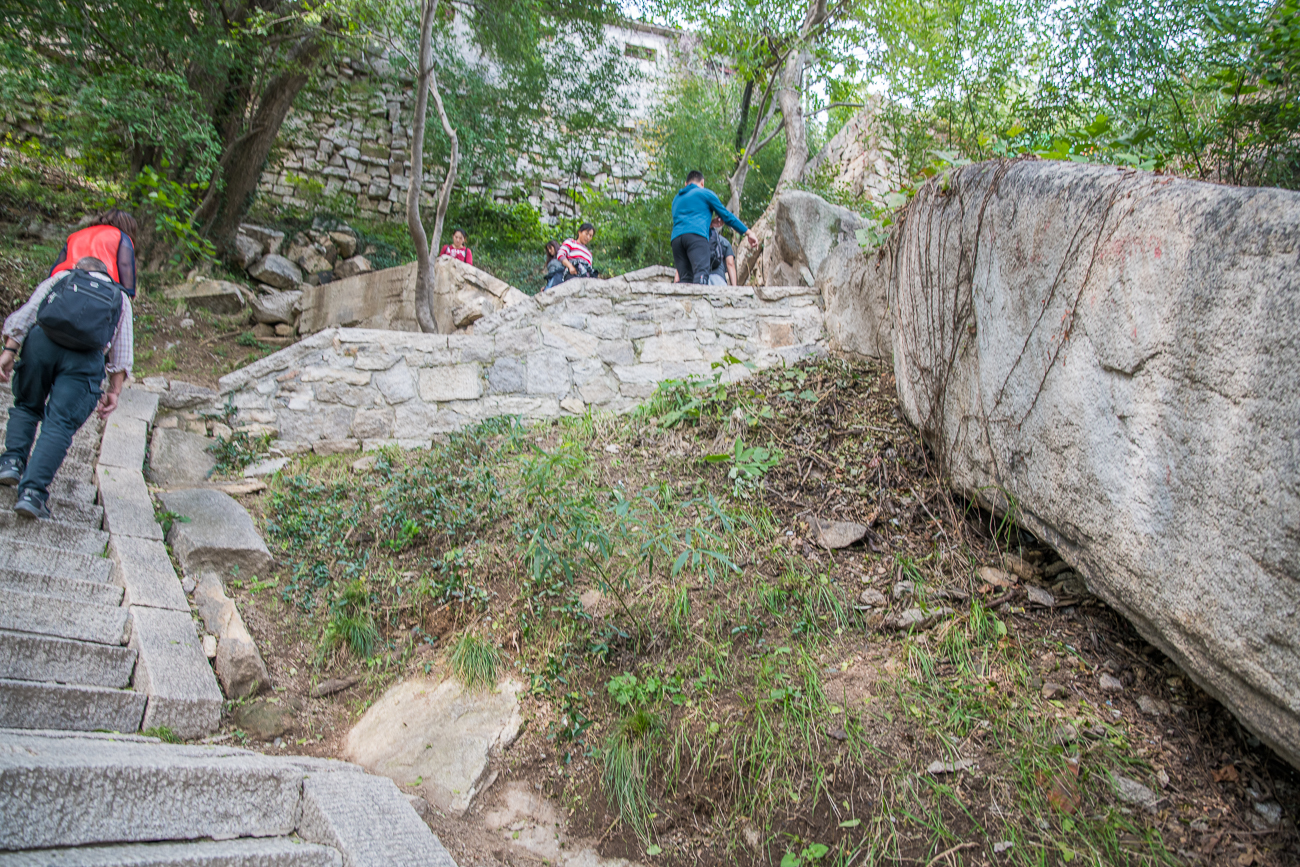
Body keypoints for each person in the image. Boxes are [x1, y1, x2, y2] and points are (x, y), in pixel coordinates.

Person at [0, 256, 134, 519]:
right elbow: (122, 354)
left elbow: (27, 314)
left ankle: (12, 462)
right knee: (59, 424)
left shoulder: (62, 278)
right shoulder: (120, 297)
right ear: (108, 275)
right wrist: (114, 391)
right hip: (84, 360)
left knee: (27, 405)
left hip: (41, 344)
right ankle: (32, 494)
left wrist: (8, 351)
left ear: (78, 269)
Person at [670, 170, 755, 284]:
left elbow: (687, 223)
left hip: (676, 241)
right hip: (696, 238)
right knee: (701, 274)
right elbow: (726, 216)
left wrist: (709, 224)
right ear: (702, 183)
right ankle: (700, 302)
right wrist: (748, 232)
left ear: (686, 184)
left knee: (685, 279)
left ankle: (682, 302)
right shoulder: (705, 193)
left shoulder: (676, 199)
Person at [48, 208, 139, 296]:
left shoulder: (76, 235)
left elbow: (59, 263)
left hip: (64, 277)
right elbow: (125, 264)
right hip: (100, 282)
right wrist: (128, 292)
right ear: (128, 226)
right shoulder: (122, 237)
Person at [707, 214, 737, 286]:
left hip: (701, 278)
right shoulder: (725, 242)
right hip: (718, 279)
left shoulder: (698, 239)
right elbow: (730, 264)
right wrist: (735, 287)